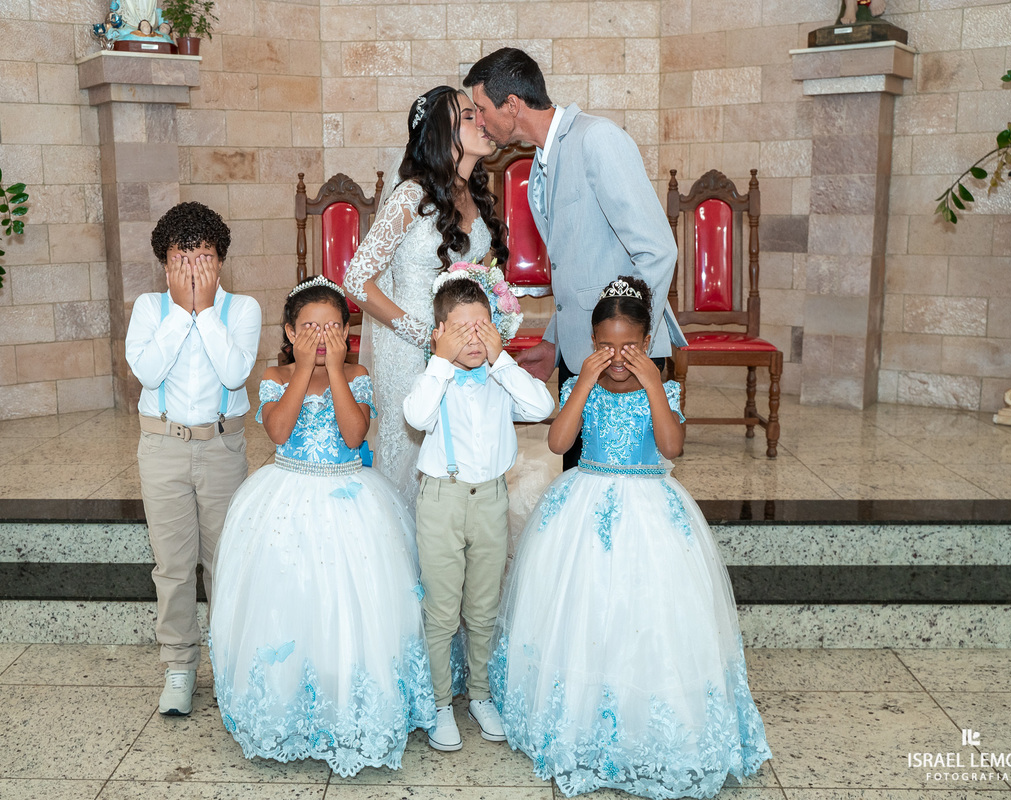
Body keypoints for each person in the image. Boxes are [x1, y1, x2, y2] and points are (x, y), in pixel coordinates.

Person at [489, 276, 771, 797]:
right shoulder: (584, 385)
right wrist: (580, 382)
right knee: (586, 612)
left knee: (647, 614)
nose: (616, 356)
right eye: (603, 346)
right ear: (591, 345)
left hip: (649, 510)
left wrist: (652, 385)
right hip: (584, 504)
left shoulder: (664, 390)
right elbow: (557, 441)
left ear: (647, 345)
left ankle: (648, 719)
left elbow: (672, 445)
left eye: (629, 347)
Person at [209, 277, 435, 777]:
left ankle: (346, 699)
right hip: (285, 496)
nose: (319, 334)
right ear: (289, 331)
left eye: (331, 326)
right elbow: (278, 430)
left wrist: (332, 368)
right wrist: (303, 370)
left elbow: (355, 434)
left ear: (348, 331)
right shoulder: (273, 373)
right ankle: (288, 703)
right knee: (289, 601)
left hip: (351, 497)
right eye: (308, 326)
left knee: (350, 604)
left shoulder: (355, 372)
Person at [464, 48, 687, 470]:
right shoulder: (539, 169)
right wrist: (555, 340)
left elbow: (658, 251)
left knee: (626, 481)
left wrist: (630, 344)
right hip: (584, 354)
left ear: (512, 105)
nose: (480, 120)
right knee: (583, 477)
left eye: (482, 108)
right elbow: (578, 267)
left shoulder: (596, 139)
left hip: (621, 356)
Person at [402, 275, 554, 752]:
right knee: (443, 610)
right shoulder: (433, 380)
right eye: (460, 329)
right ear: (438, 333)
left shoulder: (500, 377)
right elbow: (417, 417)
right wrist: (441, 364)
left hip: (490, 500)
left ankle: (482, 695)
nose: (473, 337)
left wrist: (501, 360)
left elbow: (542, 405)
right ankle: (441, 701)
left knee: (484, 606)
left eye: (482, 326)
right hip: (442, 502)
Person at [125, 201, 262, 717]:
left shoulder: (242, 310)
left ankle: (228, 663)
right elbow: (149, 372)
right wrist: (181, 313)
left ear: (220, 261)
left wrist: (204, 313)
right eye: (182, 258)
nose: (191, 269)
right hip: (162, 446)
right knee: (174, 566)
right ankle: (180, 667)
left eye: (202, 256)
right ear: (165, 263)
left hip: (221, 446)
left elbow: (233, 373)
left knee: (223, 563)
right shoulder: (149, 309)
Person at [344, 85, 508, 507]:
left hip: (463, 346)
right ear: (440, 134)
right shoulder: (411, 198)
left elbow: (482, 277)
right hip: (411, 347)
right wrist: (422, 334)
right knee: (412, 462)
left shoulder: (477, 198)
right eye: (469, 117)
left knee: (459, 451)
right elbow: (357, 279)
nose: (482, 122)